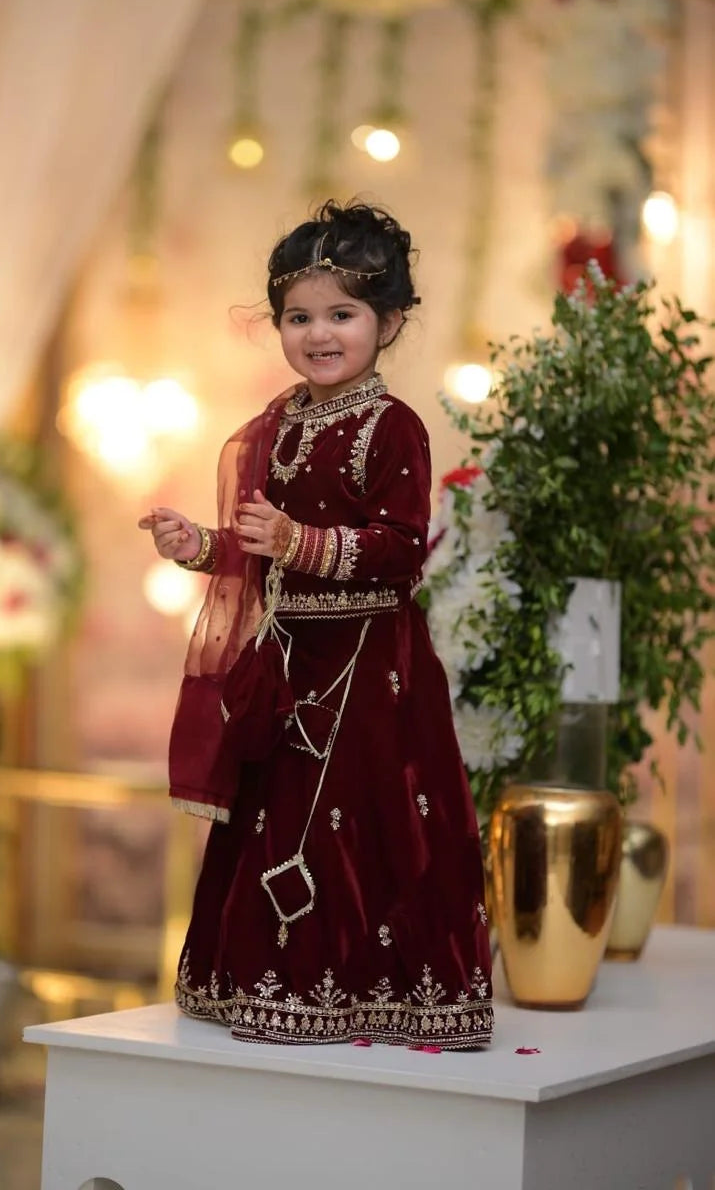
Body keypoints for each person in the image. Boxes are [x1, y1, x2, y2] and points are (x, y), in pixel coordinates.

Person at [140, 200, 493, 1047]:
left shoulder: (391, 425)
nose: (318, 334)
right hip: (290, 662)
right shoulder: (277, 425)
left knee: (358, 830)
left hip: (372, 671)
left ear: (390, 321)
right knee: (272, 819)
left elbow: (401, 548)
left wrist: (298, 540)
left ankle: (368, 995)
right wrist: (207, 547)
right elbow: (265, 551)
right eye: (299, 317)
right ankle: (265, 986)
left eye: (342, 314)